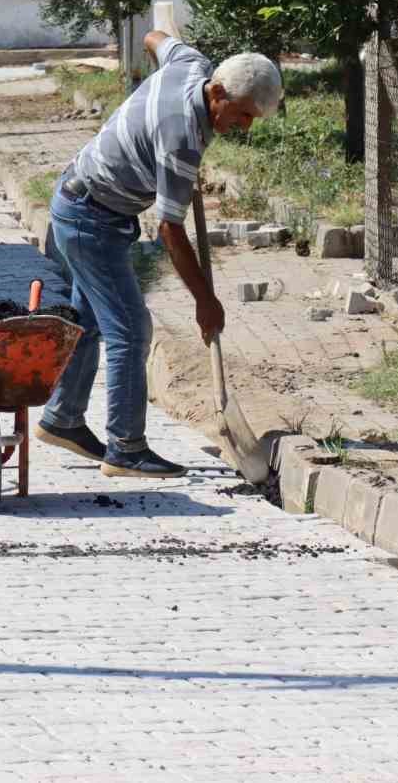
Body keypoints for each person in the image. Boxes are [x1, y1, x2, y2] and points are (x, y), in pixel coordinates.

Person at [34, 32, 284, 478]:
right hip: (90, 219)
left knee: (89, 324)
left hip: (82, 203)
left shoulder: (189, 62)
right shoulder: (182, 140)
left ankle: (63, 419)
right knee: (130, 330)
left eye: (254, 120)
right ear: (218, 92)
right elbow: (170, 229)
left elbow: (155, 38)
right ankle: (126, 448)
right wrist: (205, 301)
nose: (244, 127)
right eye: (243, 115)